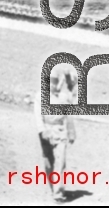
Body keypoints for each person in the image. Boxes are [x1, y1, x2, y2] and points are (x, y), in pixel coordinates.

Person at [34, 67, 77, 203]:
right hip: (46, 131)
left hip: (60, 131)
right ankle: (53, 187)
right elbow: (37, 116)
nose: (52, 84)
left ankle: (58, 193)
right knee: (49, 163)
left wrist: (71, 131)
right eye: (50, 81)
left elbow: (69, 114)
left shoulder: (63, 97)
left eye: (54, 81)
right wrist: (42, 130)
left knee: (61, 162)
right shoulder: (40, 96)